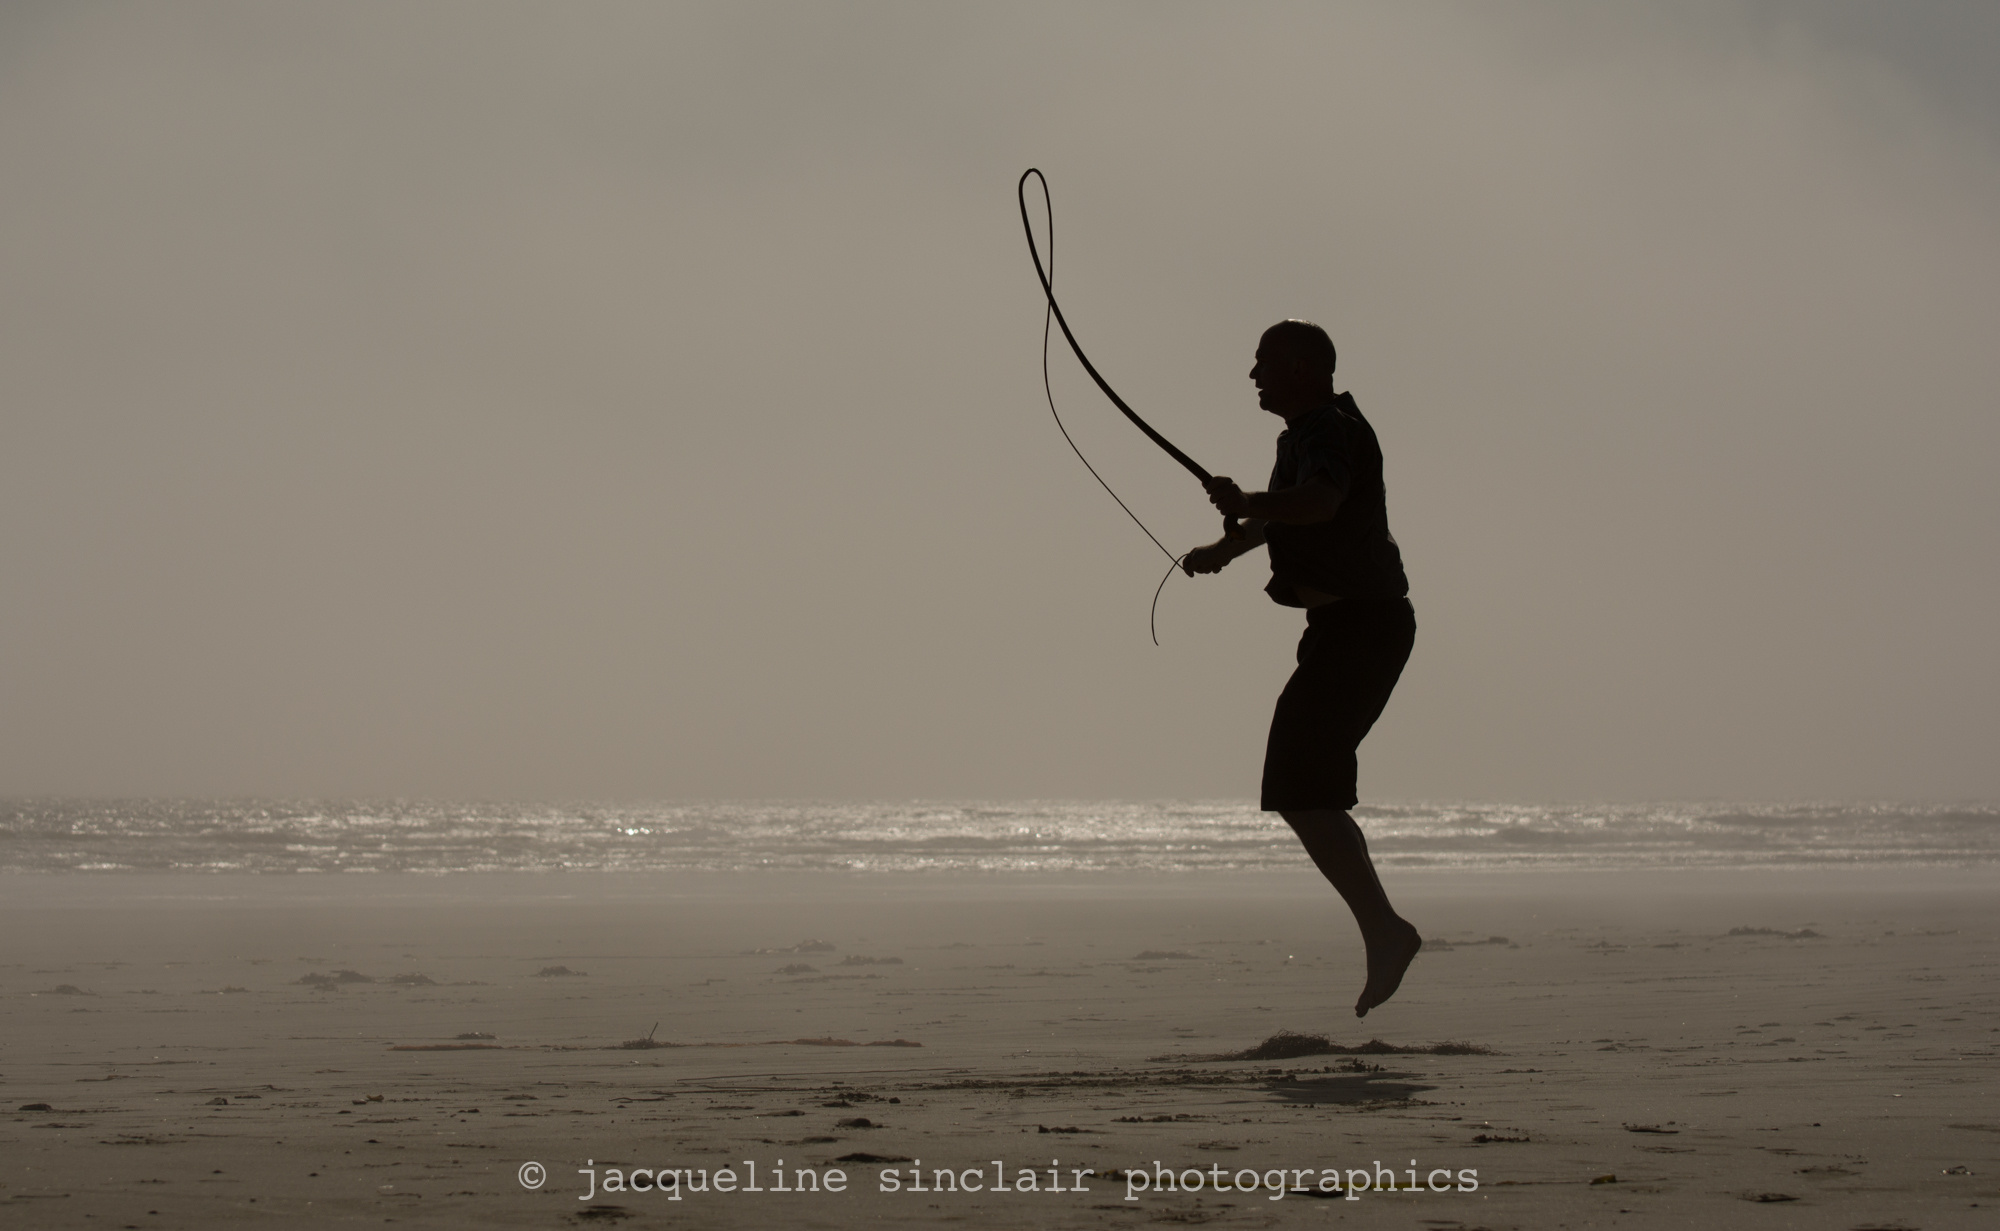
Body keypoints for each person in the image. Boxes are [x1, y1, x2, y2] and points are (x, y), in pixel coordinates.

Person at [1183, 320, 1421, 1018]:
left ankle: (1386, 930)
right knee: (1304, 784)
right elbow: (1286, 518)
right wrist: (1223, 549)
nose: (1252, 376)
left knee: (1297, 781)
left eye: (1261, 364)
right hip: (1344, 630)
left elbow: (1320, 501)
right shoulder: (1304, 435)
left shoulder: (1330, 429)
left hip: (1365, 628)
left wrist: (1250, 502)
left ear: (1299, 366)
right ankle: (1384, 928)